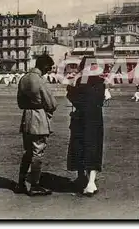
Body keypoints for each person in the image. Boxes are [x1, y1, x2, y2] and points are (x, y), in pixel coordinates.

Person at [16, 54, 58, 196]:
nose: (49, 71)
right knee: (37, 153)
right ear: (45, 67)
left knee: (27, 152)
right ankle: (35, 185)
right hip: (39, 118)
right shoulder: (40, 81)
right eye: (49, 68)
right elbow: (52, 104)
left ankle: (20, 183)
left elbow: (20, 103)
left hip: (26, 117)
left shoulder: (23, 79)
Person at [66, 57, 106, 196]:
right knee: (93, 148)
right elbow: (101, 100)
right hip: (95, 119)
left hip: (80, 118)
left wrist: (73, 81)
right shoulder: (100, 82)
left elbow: (73, 98)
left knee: (79, 147)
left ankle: (82, 177)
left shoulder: (78, 82)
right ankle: (91, 182)